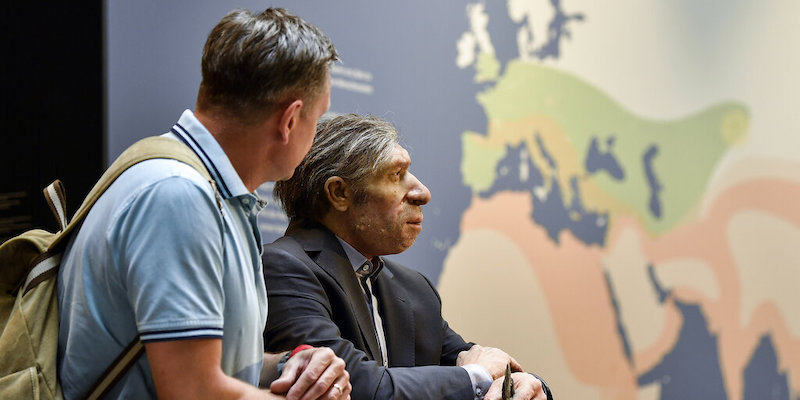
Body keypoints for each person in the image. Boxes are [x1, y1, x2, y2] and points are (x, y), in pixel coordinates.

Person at [57, 8, 352, 400]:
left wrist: (287, 366)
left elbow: (213, 366)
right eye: (318, 119)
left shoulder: (206, 192)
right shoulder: (178, 196)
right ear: (290, 120)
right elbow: (192, 390)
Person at [262, 114, 553, 400]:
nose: (422, 192)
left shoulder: (412, 288)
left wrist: (526, 384)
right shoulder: (284, 267)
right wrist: (474, 375)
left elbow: (483, 362)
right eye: (396, 175)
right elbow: (353, 386)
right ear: (340, 193)